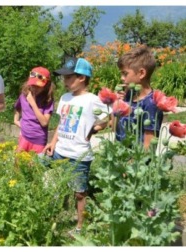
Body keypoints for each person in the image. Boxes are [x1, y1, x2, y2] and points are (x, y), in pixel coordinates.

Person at [42, 57, 109, 235]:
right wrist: (52, 142)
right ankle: (46, 210)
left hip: (78, 154)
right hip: (59, 150)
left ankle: (80, 226)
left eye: (69, 77)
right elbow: (61, 123)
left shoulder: (92, 100)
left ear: (82, 78)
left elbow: (107, 118)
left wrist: (93, 130)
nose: (65, 81)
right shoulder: (65, 98)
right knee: (34, 165)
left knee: (79, 192)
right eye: (64, 78)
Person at [114, 46, 163, 149]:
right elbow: (114, 128)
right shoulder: (127, 95)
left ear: (141, 73)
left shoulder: (151, 104)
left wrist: (132, 163)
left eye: (125, 73)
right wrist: (117, 103)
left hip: (137, 162)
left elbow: (148, 146)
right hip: (119, 158)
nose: (121, 78)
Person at [13, 67, 54, 153]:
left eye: (38, 86)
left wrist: (33, 103)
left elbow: (44, 122)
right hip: (24, 137)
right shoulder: (24, 95)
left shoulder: (47, 100)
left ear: (46, 85)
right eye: (33, 84)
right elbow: (17, 108)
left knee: (34, 165)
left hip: (38, 141)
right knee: (18, 163)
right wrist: (16, 121)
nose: (35, 88)